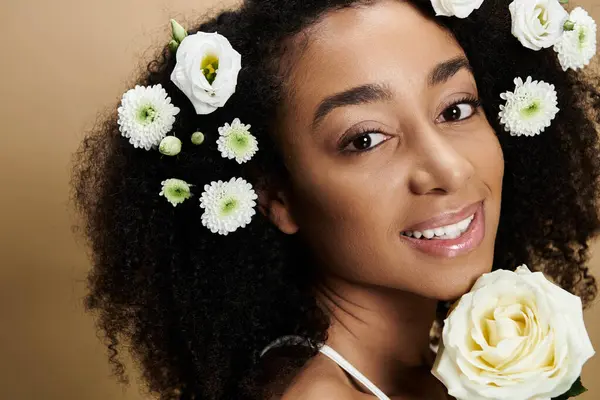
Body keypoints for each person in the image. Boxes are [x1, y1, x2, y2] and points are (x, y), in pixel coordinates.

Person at [71, 0, 600, 398]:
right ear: (278, 198)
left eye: (456, 109)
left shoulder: (426, 362)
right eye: (365, 139)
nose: (449, 168)